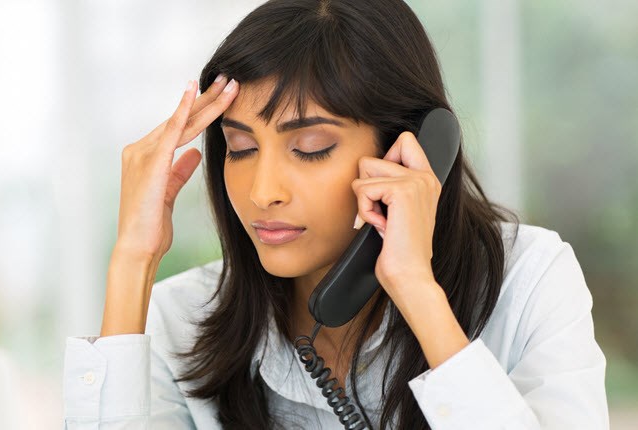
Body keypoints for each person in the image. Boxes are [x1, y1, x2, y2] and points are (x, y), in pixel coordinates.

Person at [62, 0, 609, 428]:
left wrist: (418, 292)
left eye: (311, 148)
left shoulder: (529, 279)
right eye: (241, 148)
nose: (262, 192)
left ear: (409, 148)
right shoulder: (181, 317)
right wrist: (131, 262)